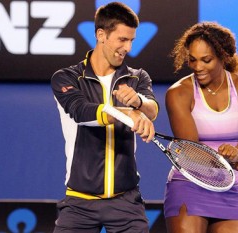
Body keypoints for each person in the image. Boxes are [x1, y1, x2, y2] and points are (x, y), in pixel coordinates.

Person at [50, 2, 159, 233]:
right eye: (122, 39)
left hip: (126, 201)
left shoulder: (137, 77)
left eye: (131, 40)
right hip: (79, 203)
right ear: (101, 35)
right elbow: (80, 111)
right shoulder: (66, 78)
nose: (128, 47)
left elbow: (152, 109)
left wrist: (139, 103)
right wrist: (128, 114)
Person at [164, 22, 238, 233]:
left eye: (206, 60)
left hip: (229, 187)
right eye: (192, 60)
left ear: (224, 56)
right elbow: (192, 150)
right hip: (188, 184)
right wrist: (235, 163)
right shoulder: (178, 93)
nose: (197, 67)